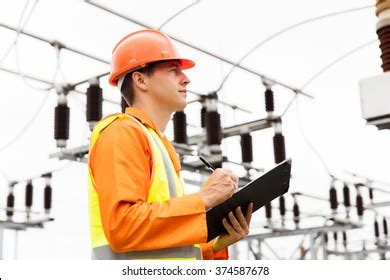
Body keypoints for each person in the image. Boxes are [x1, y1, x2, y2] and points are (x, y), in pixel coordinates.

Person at [87, 29, 253, 260]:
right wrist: (204, 198)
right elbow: (124, 227)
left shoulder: (158, 144)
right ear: (140, 79)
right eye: (174, 70)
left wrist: (217, 242)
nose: (186, 78)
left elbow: (167, 243)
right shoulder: (121, 132)